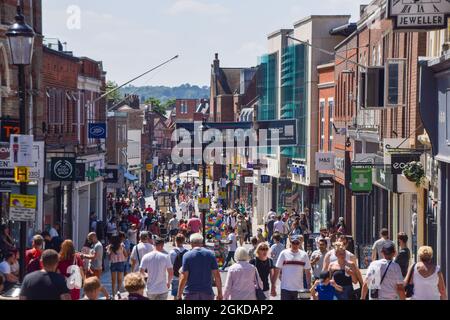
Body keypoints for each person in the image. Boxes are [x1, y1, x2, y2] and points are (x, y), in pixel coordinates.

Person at [177, 233, 223, 300]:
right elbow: (217, 275)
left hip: (191, 292)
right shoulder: (210, 254)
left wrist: (179, 294)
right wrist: (220, 293)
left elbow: (184, 277)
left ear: (191, 243)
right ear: (201, 243)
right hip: (207, 292)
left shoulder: (187, 256)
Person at [273, 235, 312, 300]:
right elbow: (277, 270)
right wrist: (273, 286)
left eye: (297, 243)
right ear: (290, 243)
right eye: (293, 243)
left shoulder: (304, 255)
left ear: (299, 244)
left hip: (300, 289)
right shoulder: (283, 253)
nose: (295, 245)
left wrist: (309, 286)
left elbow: (307, 272)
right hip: (285, 289)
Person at [170, 234, 188, 299]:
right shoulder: (187, 252)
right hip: (185, 277)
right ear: (183, 241)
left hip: (175, 276)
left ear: (175, 241)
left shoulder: (172, 252)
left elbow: (170, 265)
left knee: (175, 296)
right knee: (185, 295)